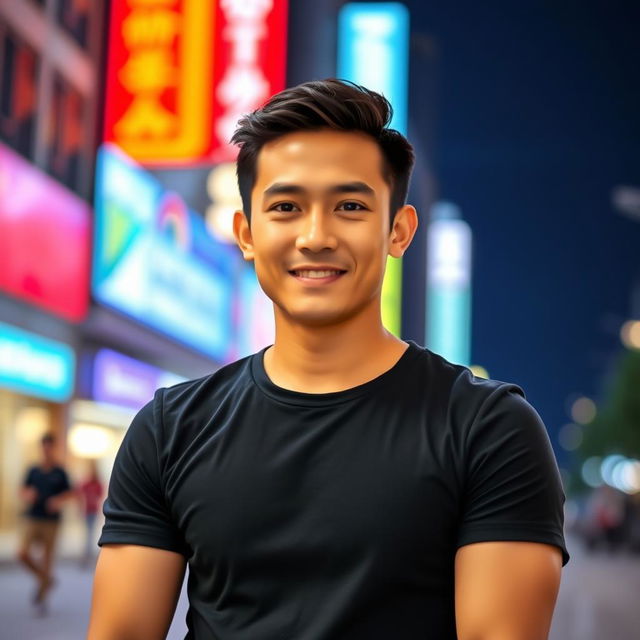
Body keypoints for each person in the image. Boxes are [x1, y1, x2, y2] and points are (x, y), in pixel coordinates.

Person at [88, 79, 569, 639]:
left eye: (350, 206)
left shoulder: (488, 429)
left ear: (398, 230)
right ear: (245, 232)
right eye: (286, 207)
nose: (315, 237)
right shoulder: (170, 428)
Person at [17, 432, 74, 613]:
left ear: (53, 448)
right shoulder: (33, 470)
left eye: (50, 446)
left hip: (52, 521)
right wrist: (27, 494)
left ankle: (42, 599)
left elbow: (71, 492)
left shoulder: (60, 472)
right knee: (23, 553)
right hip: (33, 517)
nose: (47, 450)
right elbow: (23, 490)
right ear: (41, 448)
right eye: (44, 446)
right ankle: (46, 579)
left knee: (47, 558)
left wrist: (58, 500)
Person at [78, 460, 104, 566]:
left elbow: (100, 496)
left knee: (90, 534)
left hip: (93, 511)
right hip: (86, 510)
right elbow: (79, 494)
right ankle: (86, 556)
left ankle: (87, 556)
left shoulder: (97, 483)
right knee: (88, 534)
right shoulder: (86, 483)